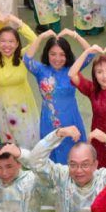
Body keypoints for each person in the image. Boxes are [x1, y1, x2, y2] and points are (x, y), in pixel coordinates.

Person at [24, 29, 93, 163]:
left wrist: (75, 35)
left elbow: (91, 53)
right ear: (47, 54)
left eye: (62, 54)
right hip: (49, 122)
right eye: (53, 54)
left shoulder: (73, 69)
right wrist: (42, 36)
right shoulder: (40, 70)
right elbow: (27, 59)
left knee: (74, 155)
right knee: (52, 156)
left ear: (67, 55)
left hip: (71, 119)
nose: (57, 59)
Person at [0, 15, 39, 148]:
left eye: (11, 41)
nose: (7, 45)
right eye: (3, 41)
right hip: (4, 108)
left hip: (24, 108)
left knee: (28, 140)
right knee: (10, 142)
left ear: (17, 44)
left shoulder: (23, 56)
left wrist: (17, 21)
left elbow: (35, 40)